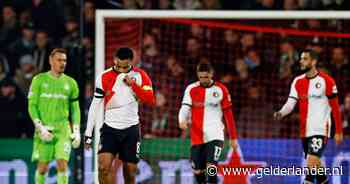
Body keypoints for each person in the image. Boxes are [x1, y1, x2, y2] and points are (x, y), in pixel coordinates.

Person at [84, 47, 155, 184]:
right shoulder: (104, 77)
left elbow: (150, 99)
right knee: (103, 168)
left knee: (130, 171)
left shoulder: (140, 75)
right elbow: (94, 106)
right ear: (114, 60)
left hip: (131, 130)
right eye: (119, 66)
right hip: (110, 129)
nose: (122, 70)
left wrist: (133, 85)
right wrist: (88, 134)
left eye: (125, 67)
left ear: (130, 62)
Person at [274, 49, 343, 184]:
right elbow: (290, 104)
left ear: (314, 61)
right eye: (301, 58)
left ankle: (307, 181)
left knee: (311, 162)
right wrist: (281, 113)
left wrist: (339, 131)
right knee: (316, 164)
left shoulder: (327, 81)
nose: (301, 61)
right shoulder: (297, 81)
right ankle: (324, 181)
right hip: (305, 130)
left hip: (321, 129)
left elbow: (335, 108)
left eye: (305, 58)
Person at [178, 61, 238, 184]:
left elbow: (229, 115)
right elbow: (184, 108)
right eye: (201, 77)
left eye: (206, 77)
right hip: (197, 136)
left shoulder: (221, 89)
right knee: (198, 171)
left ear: (211, 74)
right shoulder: (191, 89)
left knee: (211, 168)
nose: (203, 80)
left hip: (216, 135)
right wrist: (181, 120)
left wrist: (233, 138)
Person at [28, 48, 81, 184]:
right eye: (59, 60)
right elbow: (32, 106)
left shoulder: (71, 83)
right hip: (44, 129)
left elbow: (75, 109)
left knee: (62, 164)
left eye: (64, 60)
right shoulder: (38, 80)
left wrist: (76, 130)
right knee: (42, 168)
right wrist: (40, 128)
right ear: (51, 61)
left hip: (63, 129)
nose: (62, 63)